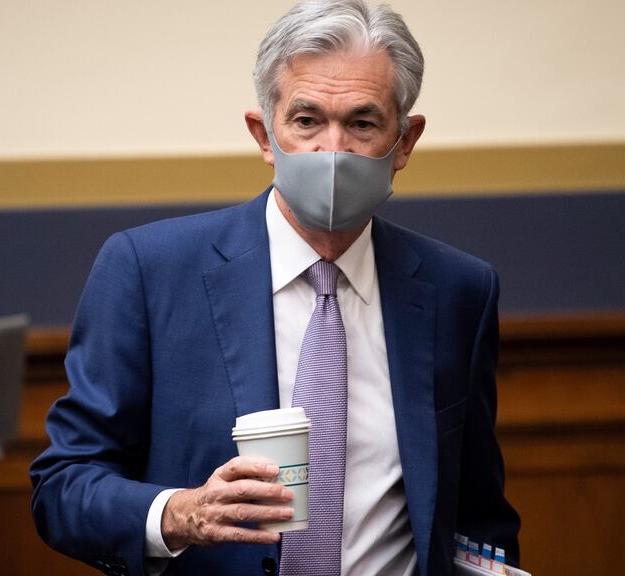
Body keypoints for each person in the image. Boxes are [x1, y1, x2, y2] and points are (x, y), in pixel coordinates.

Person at [30, 1, 521, 574]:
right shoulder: (148, 270)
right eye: (307, 120)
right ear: (265, 135)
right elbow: (62, 486)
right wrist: (179, 514)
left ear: (404, 142)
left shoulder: (458, 290)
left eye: (362, 123)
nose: (333, 151)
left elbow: (479, 518)